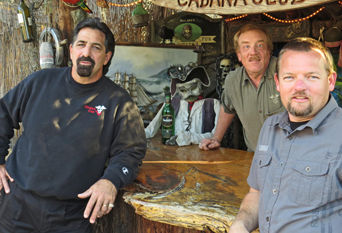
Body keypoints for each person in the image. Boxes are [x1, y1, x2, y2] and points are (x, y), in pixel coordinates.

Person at [229, 37, 342, 232]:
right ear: (278, 82)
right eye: (289, 77)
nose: (299, 87)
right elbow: (257, 193)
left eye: (311, 77)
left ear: (331, 81)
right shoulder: (270, 127)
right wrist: (240, 225)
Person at [0, 17, 147, 232]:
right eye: (81, 44)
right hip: (18, 205)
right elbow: (2, 113)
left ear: (106, 57)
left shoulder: (118, 101)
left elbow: (131, 151)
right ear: (71, 51)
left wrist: (111, 181)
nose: (86, 53)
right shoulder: (39, 82)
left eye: (95, 47)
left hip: (73, 214)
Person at [199, 24, 285, 152]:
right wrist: (216, 138)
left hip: (291, 158)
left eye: (259, 45)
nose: (253, 52)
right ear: (239, 55)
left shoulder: (287, 74)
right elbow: (228, 108)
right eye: (246, 47)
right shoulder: (233, 80)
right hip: (255, 158)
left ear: (268, 52)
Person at [145, 62, 221, 146]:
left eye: (193, 87)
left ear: (200, 84)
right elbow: (152, 128)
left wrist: (190, 138)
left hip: (202, 151)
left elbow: (216, 135)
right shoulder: (172, 102)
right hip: (174, 151)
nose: (189, 93)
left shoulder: (214, 104)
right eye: (183, 90)